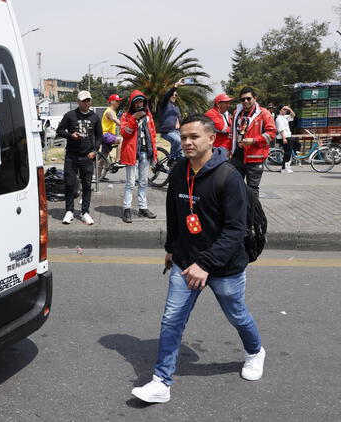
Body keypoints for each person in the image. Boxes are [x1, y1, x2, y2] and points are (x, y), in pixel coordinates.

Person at [131, 115, 265, 404]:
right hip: (185, 259)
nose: (187, 142)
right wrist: (170, 247)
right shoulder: (180, 170)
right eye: (183, 136)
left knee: (236, 314)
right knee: (171, 320)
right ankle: (160, 381)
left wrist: (206, 264)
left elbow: (235, 231)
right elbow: (175, 214)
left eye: (194, 137)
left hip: (224, 265)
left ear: (211, 140)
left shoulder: (228, 177)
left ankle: (255, 352)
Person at [57, 90, 102, 225]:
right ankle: (69, 211)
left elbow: (100, 137)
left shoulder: (95, 117)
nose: (86, 103)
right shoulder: (70, 115)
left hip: (87, 156)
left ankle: (85, 212)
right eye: (84, 100)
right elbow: (59, 130)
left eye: (88, 100)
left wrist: (95, 151)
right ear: (78, 102)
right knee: (69, 183)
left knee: (87, 185)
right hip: (71, 155)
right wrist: (71, 135)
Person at [230, 87, 277, 198]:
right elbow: (232, 133)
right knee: (234, 187)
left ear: (255, 98)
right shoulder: (237, 112)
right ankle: (239, 212)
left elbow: (271, 133)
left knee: (252, 190)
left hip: (254, 157)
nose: (245, 101)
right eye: (243, 99)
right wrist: (229, 149)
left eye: (248, 98)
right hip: (237, 156)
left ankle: (253, 214)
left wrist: (254, 140)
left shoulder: (264, 113)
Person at [119, 90, 157, 223]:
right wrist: (133, 119)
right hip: (132, 154)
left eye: (141, 101)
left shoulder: (149, 117)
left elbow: (153, 136)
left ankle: (143, 207)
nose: (139, 104)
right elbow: (124, 133)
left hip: (146, 153)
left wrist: (155, 155)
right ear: (132, 104)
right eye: (136, 102)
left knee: (143, 182)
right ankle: (127, 209)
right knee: (130, 183)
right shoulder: (126, 116)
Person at [158, 78, 186, 162]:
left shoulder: (176, 107)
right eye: (172, 94)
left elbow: (180, 119)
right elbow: (167, 95)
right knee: (177, 141)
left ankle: (178, 167)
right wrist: (176, 86)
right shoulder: (164, 104)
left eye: (176, 95)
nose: (174, 96)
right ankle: (171, 159)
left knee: (181, 150)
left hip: (177, 131)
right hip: (167, 131)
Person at [99, 94, 124, 181]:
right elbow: (115, 120)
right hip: (106, 135)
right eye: (117, 101)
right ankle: (117, 161)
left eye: (119, 101)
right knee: (121, 139)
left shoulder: (113, 111)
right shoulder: (109, 111)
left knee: (103, 157)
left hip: (109, 135)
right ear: (112, 102)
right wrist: (123, 124)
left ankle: (99, 177)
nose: (118, 103)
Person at [275, 105, 296, 173]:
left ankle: (286, 167)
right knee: (287, 153)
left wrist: (289, 108)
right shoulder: (279, 118)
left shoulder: (284, 117)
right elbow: (281, 129)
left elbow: (293, 115)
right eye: (284, 109)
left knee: (289, 152)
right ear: (280, 110)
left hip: (288, 136)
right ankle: (284, 168)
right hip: (284, 137)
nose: (285, 110)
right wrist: (284, 138)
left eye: (285, 109)